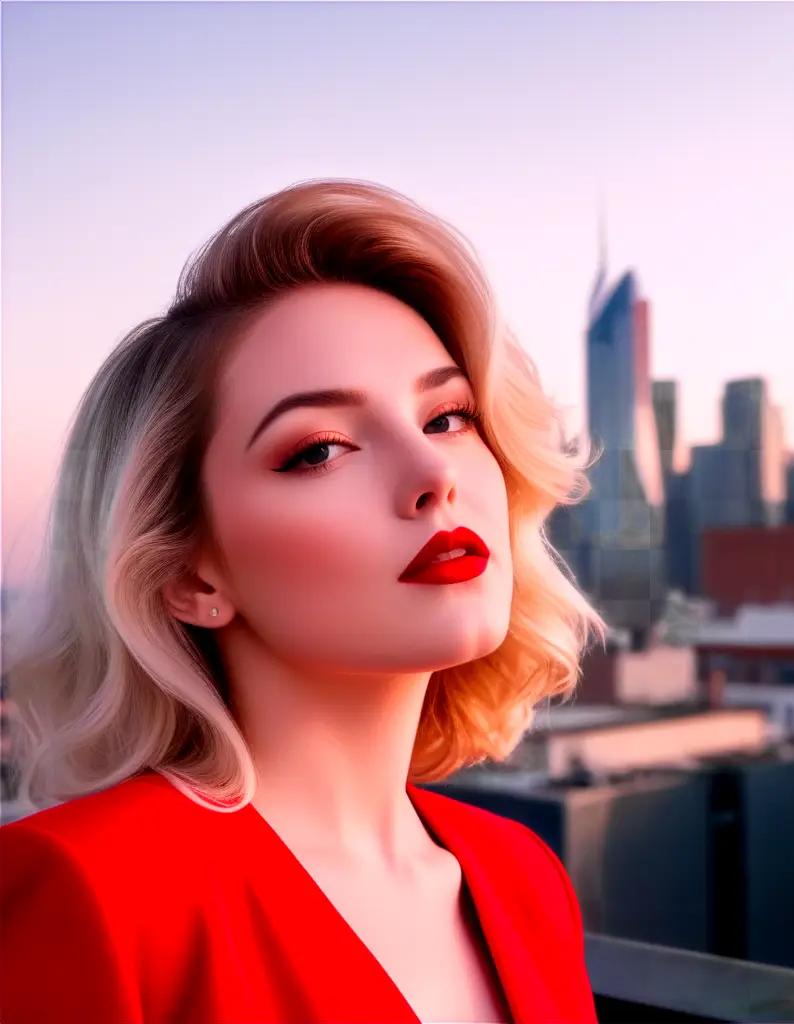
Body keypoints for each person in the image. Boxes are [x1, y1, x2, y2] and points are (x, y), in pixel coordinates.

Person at [0, 178, 609, 1023]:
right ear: (189, 575)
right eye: (320, 449)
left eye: (447, 417)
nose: (434, 476)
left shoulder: (523, 876)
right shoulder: (86, 890)